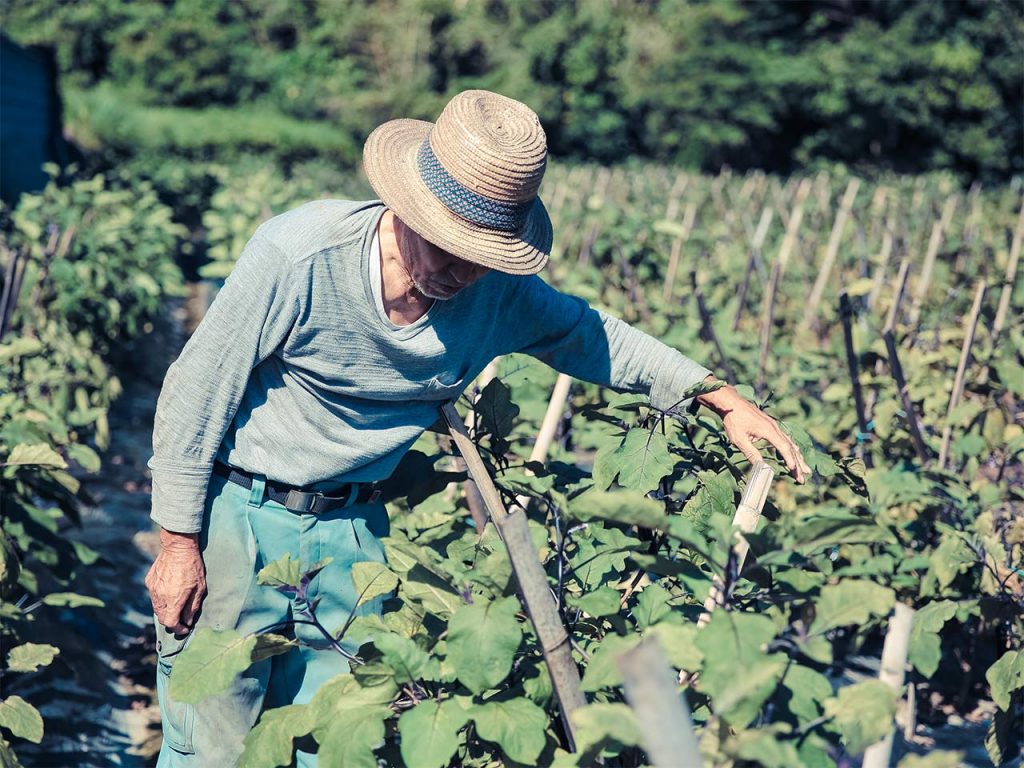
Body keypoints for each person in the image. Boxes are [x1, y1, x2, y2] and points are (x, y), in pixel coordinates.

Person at [144, 89, 810, 766]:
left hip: (356, 533)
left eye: (482, 254)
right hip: (241, 518)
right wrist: (177, 542)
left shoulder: (494, 294)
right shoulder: (300, 255)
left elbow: (594, 337)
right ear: (407, 208)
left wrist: (720, 397)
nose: (459, 271)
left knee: (335, 746)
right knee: (210, 744)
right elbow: (196, 392)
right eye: (448, 244)